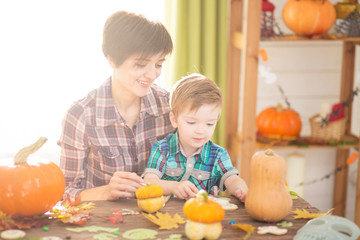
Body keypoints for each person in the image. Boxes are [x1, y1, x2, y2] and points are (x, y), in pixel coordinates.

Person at [58, 10, 175, 202]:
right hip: (101, 225)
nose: (152, 74)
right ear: (112, 59)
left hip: (161, 218)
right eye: (141, 64)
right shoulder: (81, 116)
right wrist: (106, 191)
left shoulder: (169, 107)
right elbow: (64, 194)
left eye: (159, 64)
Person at [143, 73, 248, 201]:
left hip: (201, 216)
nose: (201, 131)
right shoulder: (162, 149)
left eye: (209, 124)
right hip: (166, 215)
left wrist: (240, 190)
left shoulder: (218, 155)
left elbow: (232, 179)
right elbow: (149, 182)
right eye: (191, 123)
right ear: (174, 119)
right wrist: (174, 187)